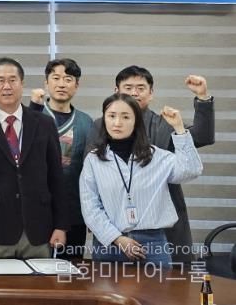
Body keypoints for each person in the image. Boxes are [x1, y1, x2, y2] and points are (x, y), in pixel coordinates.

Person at [86, 65, 214, 262]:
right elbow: (92, 180)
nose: (134, 93)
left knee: (166, 279)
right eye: (128, 88)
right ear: (116, 91)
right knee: (110, 281)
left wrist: (203, 98)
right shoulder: (101, 125)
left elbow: (201, 138)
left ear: (151, 93)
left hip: (158, 224)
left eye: (140, 88)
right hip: (114, 226)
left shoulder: (164, 123)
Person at [0, 57, 68, 259]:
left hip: (38, 230)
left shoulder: (44, 124)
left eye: (12, 80)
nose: (7, 86)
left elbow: (56, 177)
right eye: (1, 80)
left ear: (22, 84)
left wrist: (61, 225)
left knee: (40, 279)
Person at [29, 58, 92, 259]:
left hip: (73, 214)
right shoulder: (31, 115)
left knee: (71, 271)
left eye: (68, 79)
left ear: (77, 85)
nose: (61, 84)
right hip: (35, 213)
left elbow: (91, 172)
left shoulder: (86, 123)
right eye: (56, 78)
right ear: (46, 83)